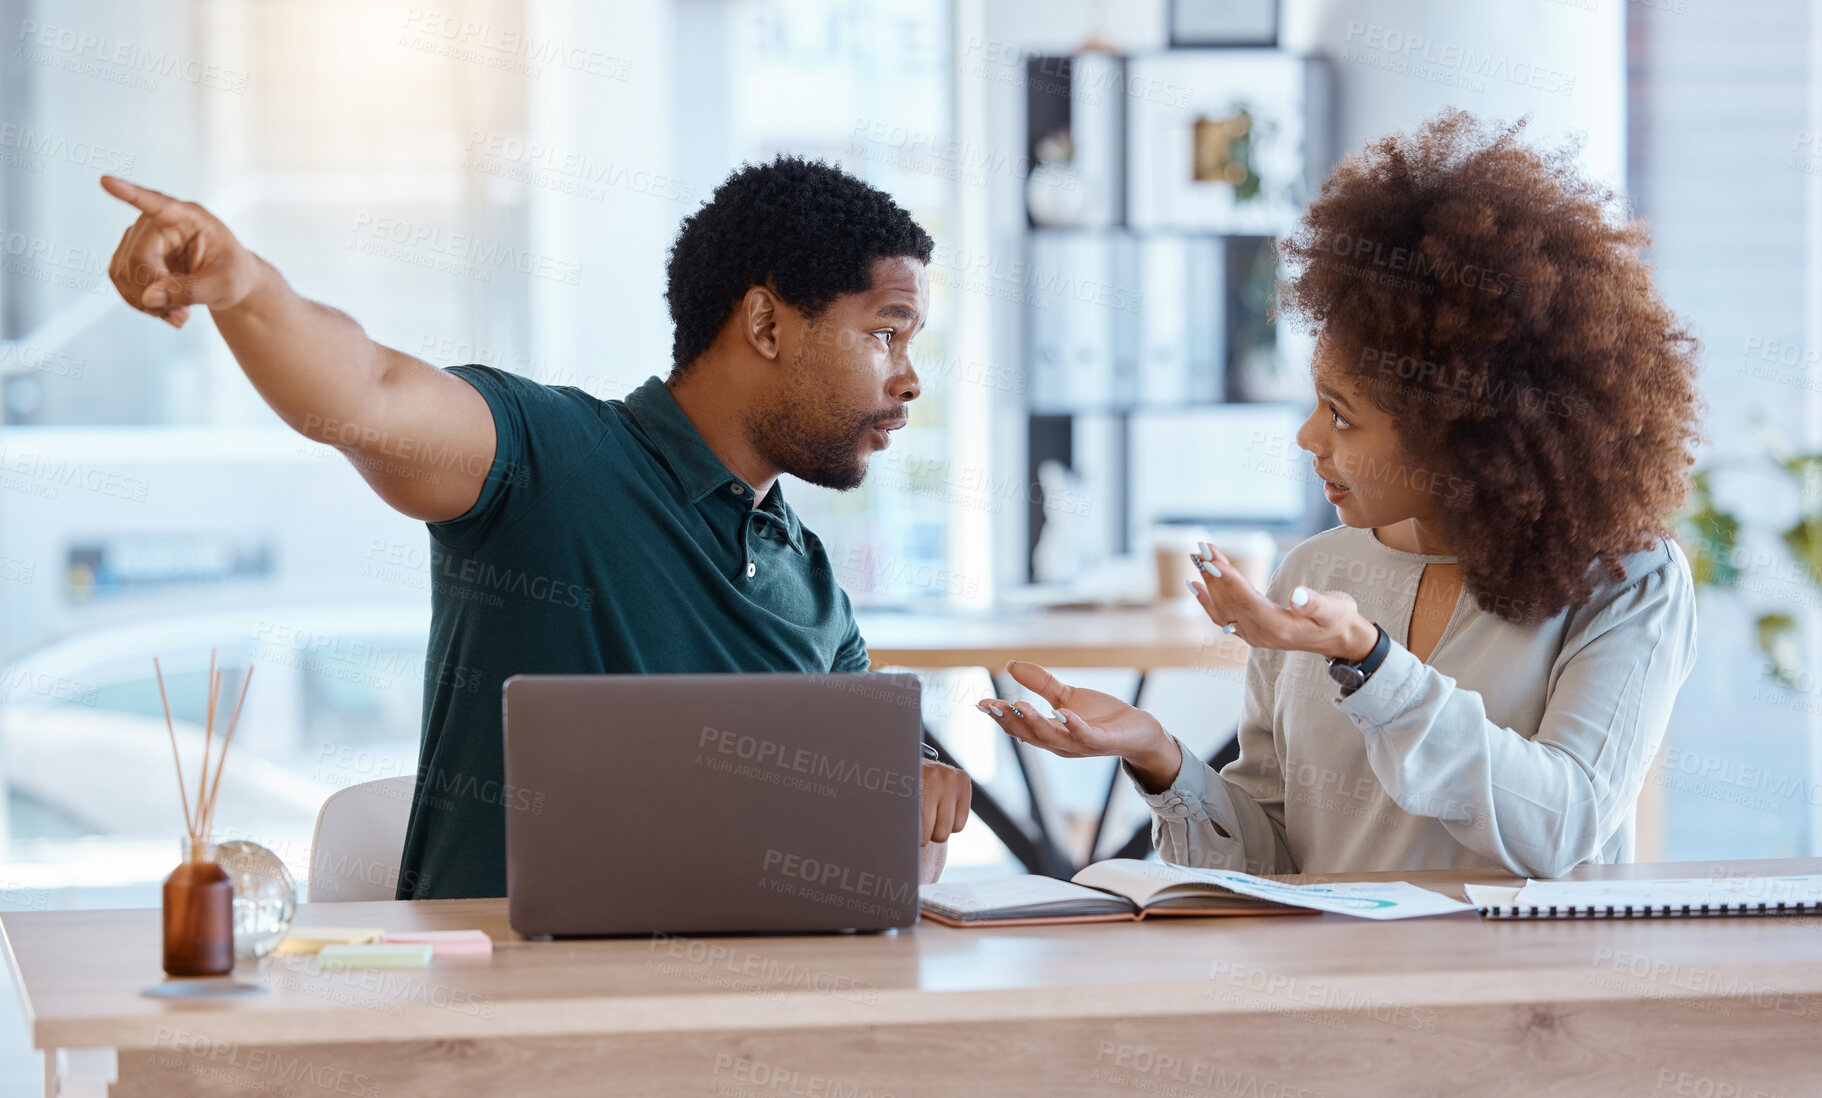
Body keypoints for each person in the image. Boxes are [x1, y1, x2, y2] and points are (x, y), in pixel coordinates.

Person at [100, 155, 971, 899]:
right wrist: (248, 289)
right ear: (766, 324)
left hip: (729, 1022)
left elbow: (868, 811)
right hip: (496, 1030)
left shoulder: (813, 586)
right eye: (886, 334)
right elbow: (364, 394)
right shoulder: (547, 454)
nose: (908, 381)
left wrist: (915, 792)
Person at [976, 111, 1702, 879]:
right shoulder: (1311, 574)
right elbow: (1275, 860)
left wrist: (1369, 661)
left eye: (1342, 415)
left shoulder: (1627, 581)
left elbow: (1563, 828)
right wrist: (1159, 758)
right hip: (1331, 994)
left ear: (1457, 426)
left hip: (1527, 996)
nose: (1308, 439)